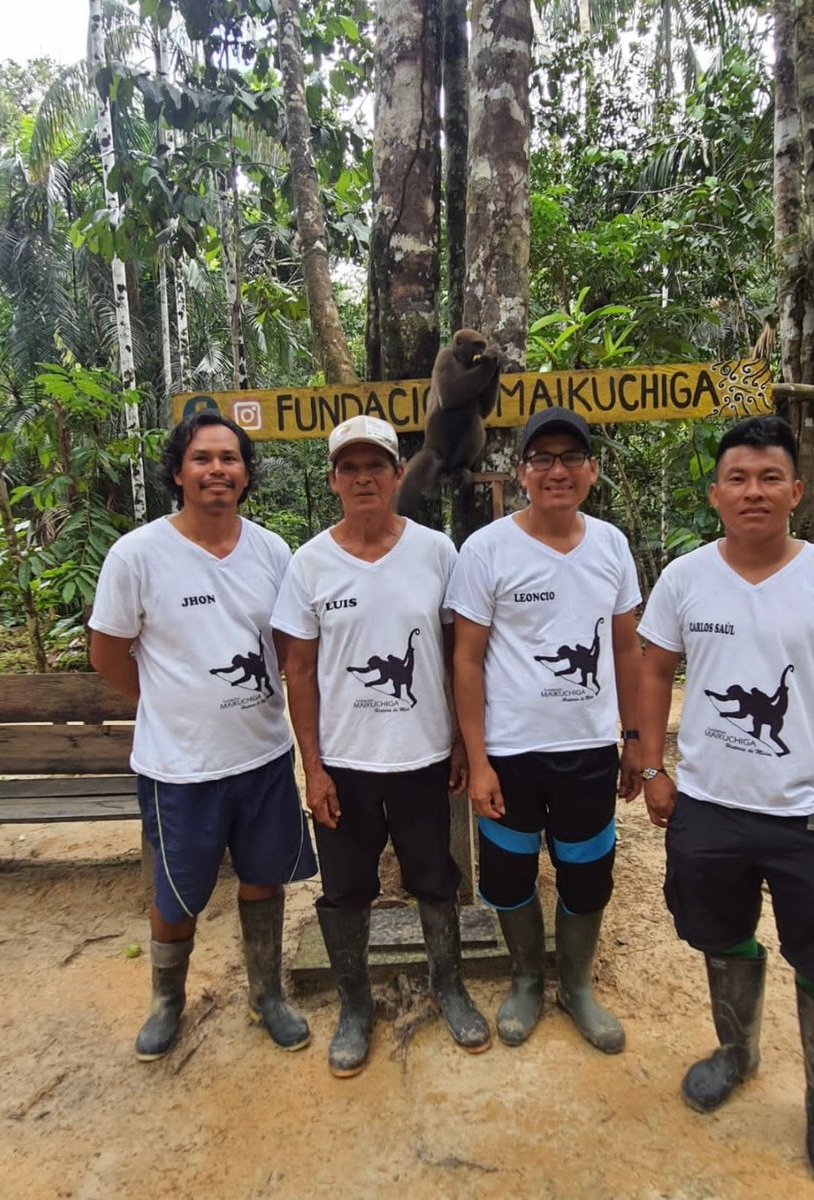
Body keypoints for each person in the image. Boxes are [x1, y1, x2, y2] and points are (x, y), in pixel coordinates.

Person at [638, 415, 814, 1189]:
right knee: (720, 934)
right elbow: (652, 672)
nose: (753, 492)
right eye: (738, 479)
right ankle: (735, 1052)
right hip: (708, 806)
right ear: (715, 494)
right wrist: (654, 767)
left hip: (806, 810)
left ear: (794, 491)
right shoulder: (685, 578)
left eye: (768, 478)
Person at [89, 411, 316, 1061]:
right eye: (202, 458)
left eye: (229, 458)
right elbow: (107, 653)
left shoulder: (272, 551)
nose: (216, 469)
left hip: (263, 753)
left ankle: (266, 994)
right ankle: (167, 1000)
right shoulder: (138, 555)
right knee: (177, 892)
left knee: (263, 878)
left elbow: (285, 647)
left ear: (245, 474)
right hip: (179, 767)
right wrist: (163, 702)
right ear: (178, 472)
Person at [272, 414, 490, 1077]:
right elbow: (300, 672)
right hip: (344, 761)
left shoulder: (436, 552)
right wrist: (312, 767)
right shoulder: (308, 564)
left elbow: (458, 653)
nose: (363, 478)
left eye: (376, 466)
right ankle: (354, 1005)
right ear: (334, 479)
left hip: (422, 755)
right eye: (349, 467)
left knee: (434, 878)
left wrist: (458, 739)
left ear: (399, 475)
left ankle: (448, 985)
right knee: (344, 891)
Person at [447, 407, 642, 1051]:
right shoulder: (486, 550)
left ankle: (576, 986)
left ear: (590, 471)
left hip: (587, 750)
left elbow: (626, 650)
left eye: (570, 458)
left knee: (588, 876)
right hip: (510, 752)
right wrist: (478, 761)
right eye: (542, 459)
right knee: (508, 876)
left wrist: (638, 739)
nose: (556, 470)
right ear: (523, 473)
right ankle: (528, 977)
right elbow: (467, 660)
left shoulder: (612, 546)